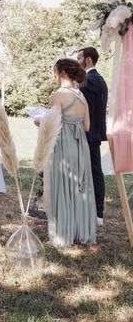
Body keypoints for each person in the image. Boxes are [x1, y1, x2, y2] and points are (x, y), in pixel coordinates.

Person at [46, 58, 96, 246]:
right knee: (79, 186)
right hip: (80, 145)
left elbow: (53, 125)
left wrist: (38, 122)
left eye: (55, 71)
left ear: (63, 74)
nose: (54, 74)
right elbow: (87, 126)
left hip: (63, 144)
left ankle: (62, 235)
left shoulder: (57, 95)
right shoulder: (81, 95)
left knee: (63, 186)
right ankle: (81, 232)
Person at [77, 47, 108, 226]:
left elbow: (84, 112)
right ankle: (96, 212)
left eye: (79, 57)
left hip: (87, 134)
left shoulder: (88, 81)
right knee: (95, 171)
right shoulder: (100, 79)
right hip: (94, 134)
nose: (77, 61)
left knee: (93, 172)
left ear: (88, 60)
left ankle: (96, 212)